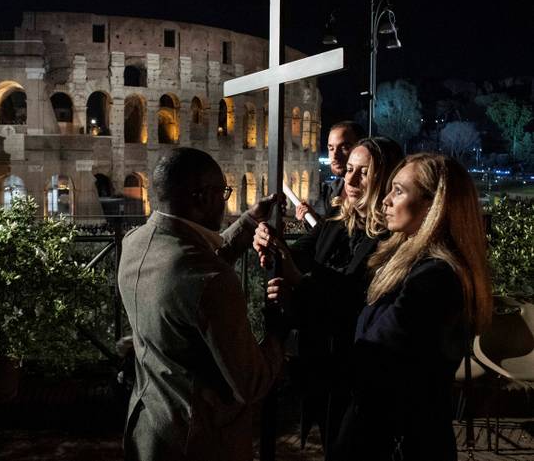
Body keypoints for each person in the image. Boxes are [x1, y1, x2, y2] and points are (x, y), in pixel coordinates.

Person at [118, 147, 284, 461]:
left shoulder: (134, 243)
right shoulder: (210, 279)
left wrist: (248, 222)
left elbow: (190, 271)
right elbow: (251, 383)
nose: (224, 200)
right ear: (203, 197)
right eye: (223, 192)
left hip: (148, 428)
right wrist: (280, 327)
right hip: (200, 440)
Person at [333, 153, 493, 461]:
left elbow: (379, 354)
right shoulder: (413, 265)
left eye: (399, 191)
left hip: (398, 439)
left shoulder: (434, 278)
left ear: (434, 205)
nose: (385, 201)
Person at [254, 136, 403, 456]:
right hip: (319, 361)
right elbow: (299, 253)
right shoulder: (336, 219)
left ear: (386, 179)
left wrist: (298, 280)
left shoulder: (392, 237)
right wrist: (268, 243)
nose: (351, 180)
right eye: (349, 170)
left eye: (364, 172)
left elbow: (359, 298)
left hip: (355, 368)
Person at [296, 120, 363, 224]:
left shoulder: (369, 193)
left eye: (344, 148)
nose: (335, 155)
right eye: (331, 148)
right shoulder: (331, 190)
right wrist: (311, 218)